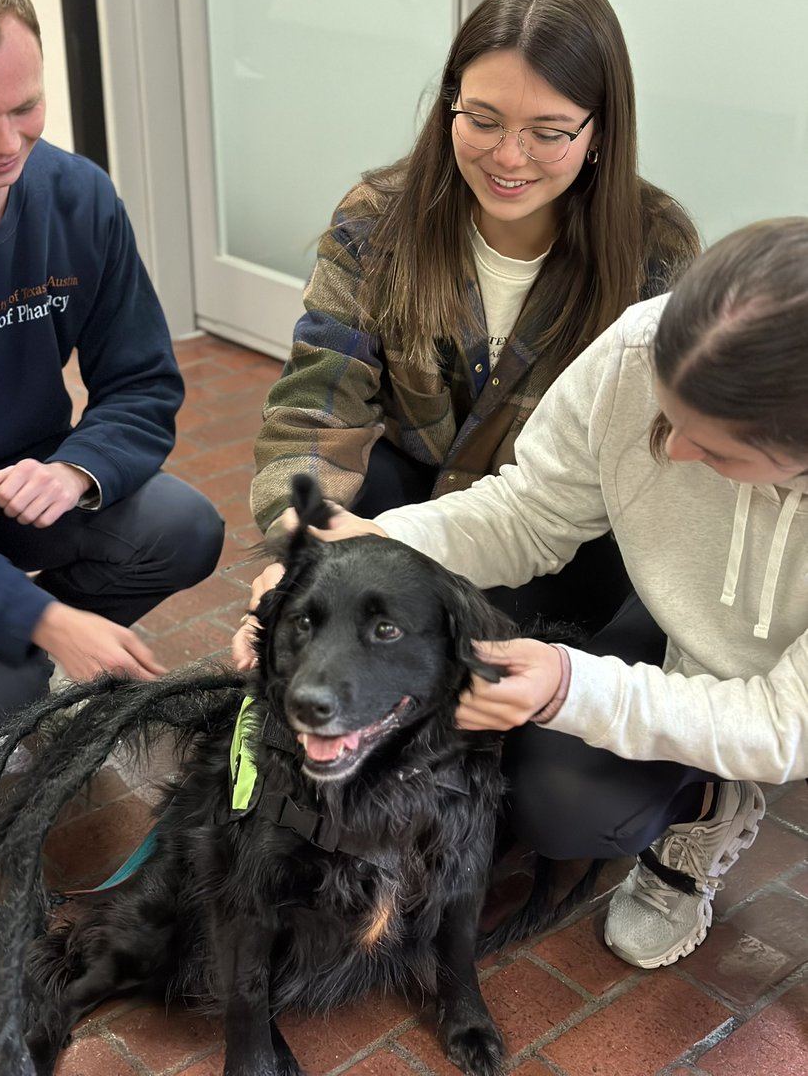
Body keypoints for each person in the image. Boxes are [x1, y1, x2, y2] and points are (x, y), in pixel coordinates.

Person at [239, 217, 808, 970]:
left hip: (788, 702)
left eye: (717, 448)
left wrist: (572, 685)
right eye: (666, 416)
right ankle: (709, 801)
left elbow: (784, 722)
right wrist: (372, 548)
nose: (671, 451)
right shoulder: (642, 346)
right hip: (684, 630)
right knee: (560, 796)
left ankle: (690, 842)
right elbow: (530, 510)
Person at [250, 0, 699, 634]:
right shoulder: (379, 221)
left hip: (559, 524)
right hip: (414, 490)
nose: (508, 157)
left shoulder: (653, 250)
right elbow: (317, 402)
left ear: (599, 131)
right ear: (450, 103)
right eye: (483, 120)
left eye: (548, 132)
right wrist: (300, 538)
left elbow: (652, 462)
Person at [0, 0, 224, 744]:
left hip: (27, 482)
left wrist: (74, 471)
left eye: (26, 105)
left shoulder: (77, 196)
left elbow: (143, 383)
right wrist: (48, 620)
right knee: (7, 697)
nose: (6, 142)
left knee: (187, 528)